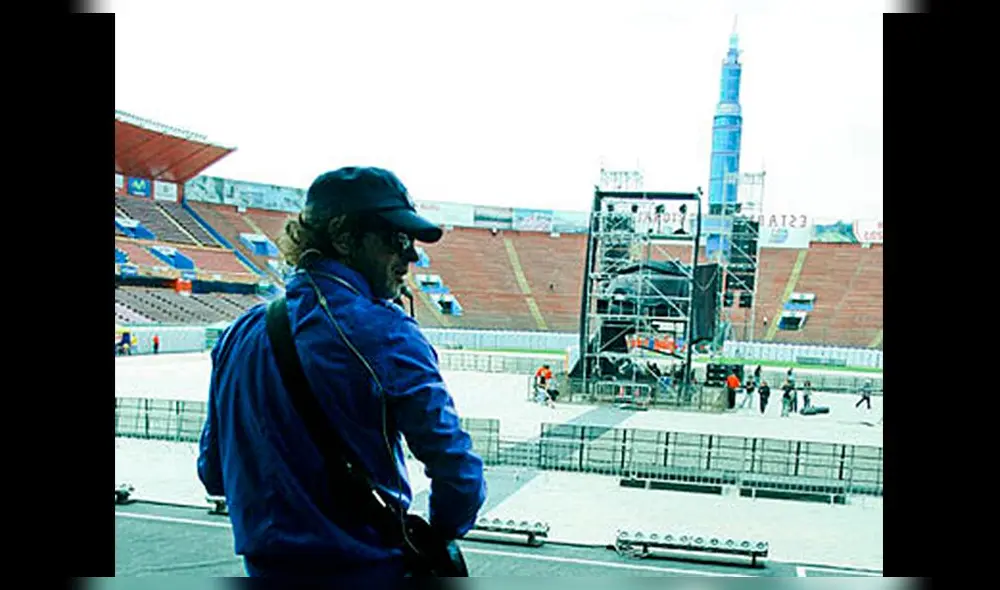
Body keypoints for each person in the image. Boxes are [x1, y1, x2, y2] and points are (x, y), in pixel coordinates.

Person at [196, 166, 487, 580]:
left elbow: (213, 474)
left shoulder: (238, 334)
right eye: (396, 238)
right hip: (368, 571)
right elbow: (458, 476)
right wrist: (437, 534)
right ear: (346, 238)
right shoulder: (386, 333)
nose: (411, 256)